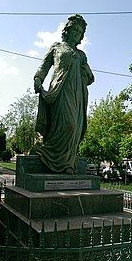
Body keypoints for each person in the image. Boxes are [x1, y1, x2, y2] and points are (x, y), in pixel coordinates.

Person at [34, 14, 94, 174]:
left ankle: (68, 164)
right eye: (73, 29)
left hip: (78, 94)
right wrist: (38, 78)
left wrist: (86, 70)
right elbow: (44, 66)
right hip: (60, 91)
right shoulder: (56, 47)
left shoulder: (81, 55)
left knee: (76, 128)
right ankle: (50, 155)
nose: (76, 33)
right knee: (67, 125)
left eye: (79, 32)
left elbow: (90, 77)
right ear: (67, 30)